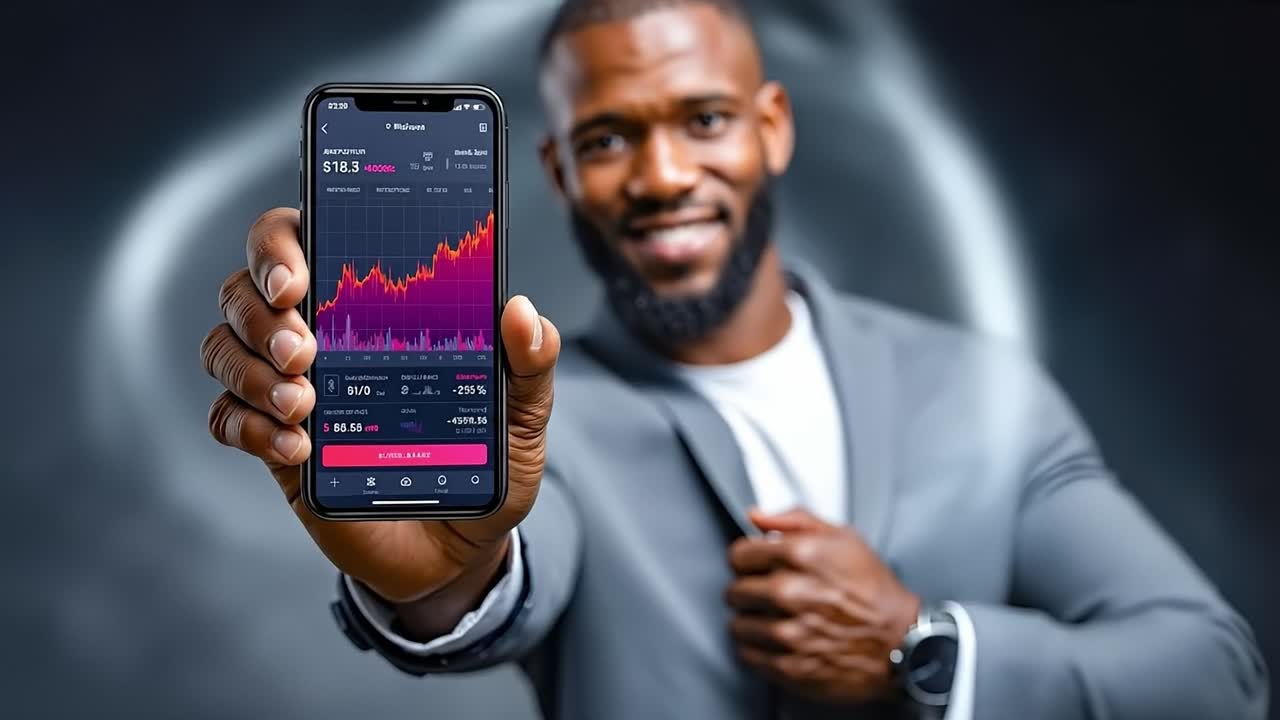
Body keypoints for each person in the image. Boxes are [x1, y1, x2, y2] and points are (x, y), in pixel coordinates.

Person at [200, 0, 1268, 717]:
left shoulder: (980, 395)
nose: (661, 174)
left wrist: (921, 646)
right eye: (608, 138)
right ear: (558, 170)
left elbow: (1213, 676)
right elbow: (511, 574)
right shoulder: (530, 414)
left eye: (702, 119)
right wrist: (442, 579)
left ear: (771, 129)